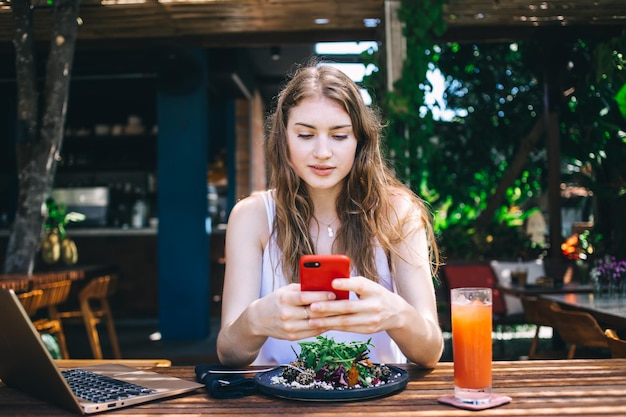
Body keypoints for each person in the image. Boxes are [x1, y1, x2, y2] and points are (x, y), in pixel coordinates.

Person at [216, 61, 443, 369]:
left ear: (359, 141)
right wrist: (255, 320)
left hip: (376, 402)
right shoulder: (252, 217)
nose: (322, 152)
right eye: (306, 135)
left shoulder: (397, 213)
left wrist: (396, 314)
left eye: (339, 136)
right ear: (283, 139)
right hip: (277, 404)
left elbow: (431, 351)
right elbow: (228, 353)